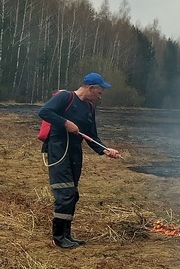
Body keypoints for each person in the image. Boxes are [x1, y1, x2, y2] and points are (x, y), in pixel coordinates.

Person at [38, 72, 120, 249]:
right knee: (64, 193)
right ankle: (58, 238)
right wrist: (65, 123)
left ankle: (67, 235)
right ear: (90, 88)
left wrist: (105, 150)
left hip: (75, 151)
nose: (100, 96)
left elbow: (92, 135)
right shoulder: (65, 97)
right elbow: (44, 111)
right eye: (99, 92)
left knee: (72, 194)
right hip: (59, 148)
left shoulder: (90, 108)